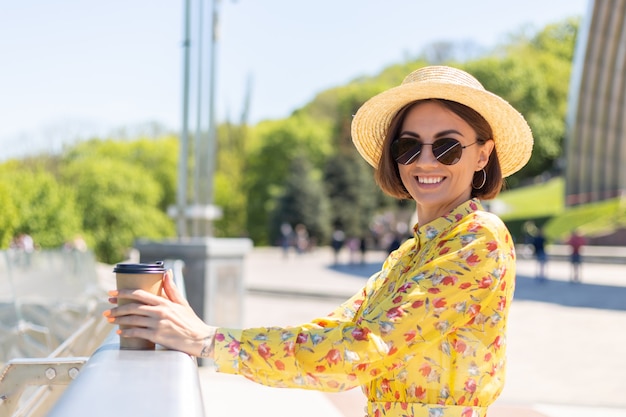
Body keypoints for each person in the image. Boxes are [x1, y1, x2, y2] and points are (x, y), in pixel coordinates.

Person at [105, 66, 533, 417]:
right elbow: (335, 332)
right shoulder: (412, 252)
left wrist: (208, 341)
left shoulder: (479, 239)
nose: (424, 161)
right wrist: (199, 329)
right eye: (408, 146)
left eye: (447, 147)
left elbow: (359, 350)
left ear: (482, 154)